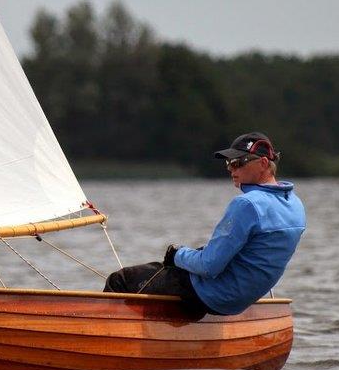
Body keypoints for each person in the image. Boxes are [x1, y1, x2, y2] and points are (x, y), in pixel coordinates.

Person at [103, 132, 306, 319]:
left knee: (122, 279)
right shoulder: (295, 205)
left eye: (238, 162)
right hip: (239, 302)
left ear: (263, 163)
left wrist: (177, 254)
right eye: (228, 163)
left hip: (212, 295)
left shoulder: (247, 204)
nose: (231, 169)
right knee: (161, 273)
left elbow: (209, 266)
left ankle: (107, 343)